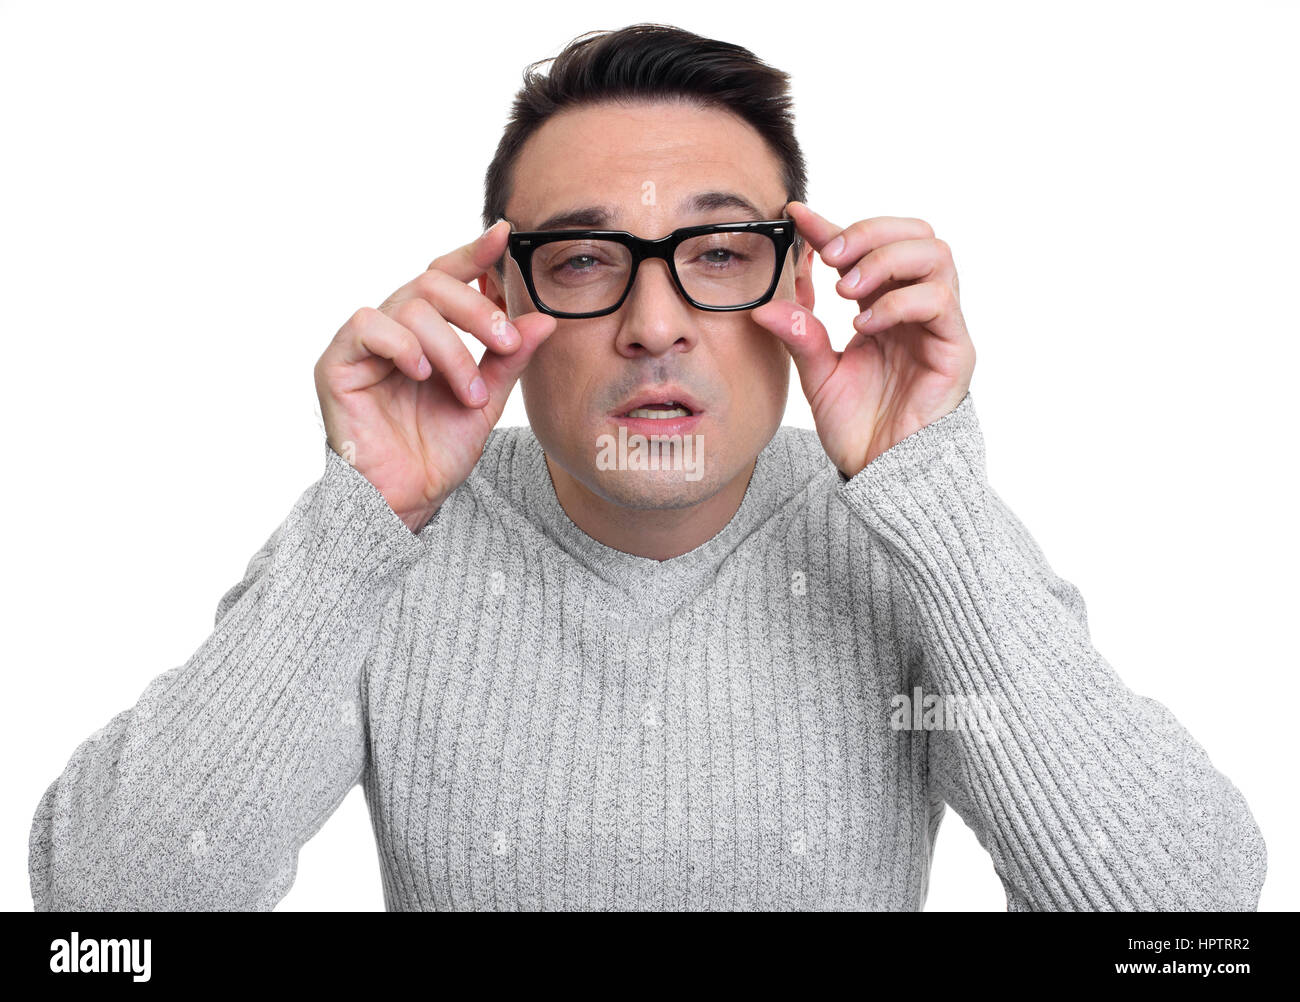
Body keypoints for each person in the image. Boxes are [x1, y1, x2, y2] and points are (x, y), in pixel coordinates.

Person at [29, 22, 1266, 911]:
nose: (658, 322)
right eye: (582, 262)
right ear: (500, 300)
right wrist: (364, 516)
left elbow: (1183, 917)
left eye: (720, 251)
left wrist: (928, 492)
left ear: (796, 286)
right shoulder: (388, 552)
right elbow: (102, 920)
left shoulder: (898, 542)